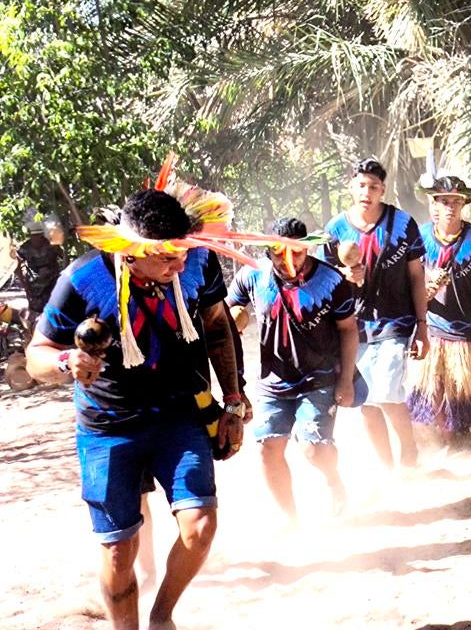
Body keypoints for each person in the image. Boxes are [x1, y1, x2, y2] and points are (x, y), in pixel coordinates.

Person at [25, 158, 250, 630]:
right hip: (109, 427)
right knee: (118, 547)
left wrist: (233, 398)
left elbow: (215, 326)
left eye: (182, 253)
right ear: (130, 250)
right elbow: (36, 356)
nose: (179, 264)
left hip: (179, 414)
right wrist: (68, 362)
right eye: (166, 257)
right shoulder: (83, 280)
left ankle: (162, 617)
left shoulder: (198, 265)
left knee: (200, 526)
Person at [228, 217, 360, 520]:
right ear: (268, 251)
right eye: (279, 251)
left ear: (308, 249)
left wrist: (346, 381)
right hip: (272, 382)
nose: (288, 259)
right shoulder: (252, 276)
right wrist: (236, 318)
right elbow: (230, 312)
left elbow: (348, 330)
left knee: (314, 450)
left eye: (296, 251)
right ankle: (291, 519)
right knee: (268, 449)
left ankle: (333, 480)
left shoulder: (331, 281)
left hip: (319, 378)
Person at [321, 158, 428, 471]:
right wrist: (344, 275)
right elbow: (323, 279)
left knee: (387, 392)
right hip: (354, 326)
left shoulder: (403, 223)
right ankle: (387, 467)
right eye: (361, 185)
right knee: (366, 400)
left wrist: (422, 326)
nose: (367, 192)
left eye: (374, 187)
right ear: (351, 186)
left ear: (383, 190)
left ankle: (409, 452)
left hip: (397, 322)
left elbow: (417, 277)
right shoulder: (335, 229)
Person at [407, 175, 471, 435]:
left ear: (464, 205)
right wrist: (423, 291)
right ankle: (444, 439)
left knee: (469, 394)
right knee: (436, 387)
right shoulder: (419, 238)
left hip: (470, 330)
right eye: (444, 201)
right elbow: (406, 281)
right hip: (433, 329)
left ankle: (468, 437)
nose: (450, 206)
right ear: (434, 204)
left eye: (456, 201)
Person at [15, 217, 65, 327]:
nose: (37, 238)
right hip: (35, 288)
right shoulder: (24, 248)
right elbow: (16, 265)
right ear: (31, 236)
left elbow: (63, 257)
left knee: (55, 309)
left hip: (53, 283)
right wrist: (24, 284)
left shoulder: (52, 245)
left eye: (39, 235)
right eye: (34, 236)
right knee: (36, 314)